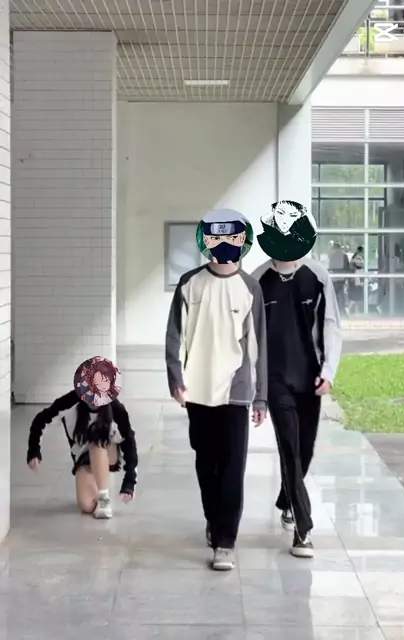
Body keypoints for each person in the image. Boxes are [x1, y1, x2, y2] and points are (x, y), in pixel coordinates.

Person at [165, 208, 267, 572]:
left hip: (236, 392)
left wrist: (261, 396)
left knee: (232, 468)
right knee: (206, 464)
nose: (224, 245)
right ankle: (214, 519)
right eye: (217, 238)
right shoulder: (189, 284)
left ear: (242, 242)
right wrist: (176, 379)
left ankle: (226, 541)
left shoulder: (250, 288)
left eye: (232, 238)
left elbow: (258, 345)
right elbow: (174, 336)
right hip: (197, 391)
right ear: (206, 242)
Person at [252, 206, 342, 559]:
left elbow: (331, 325)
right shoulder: (258, 281)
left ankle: (286, 497)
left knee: (305, 450)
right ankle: (303, 530)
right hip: (275, 380)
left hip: (310, 378)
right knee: (289, 449)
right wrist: (256, 389)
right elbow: (249, 337)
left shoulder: (317, 276)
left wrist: (328, 371)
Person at [26, 361, 138, 519]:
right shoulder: (70, 402)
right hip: (84, 457)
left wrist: (129, 482)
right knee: (87, 505)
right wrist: (34, 450)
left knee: (96, 444)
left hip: (108, 450)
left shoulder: (116, 409)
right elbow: (41, 420)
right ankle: (97, 487)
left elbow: (129, 442)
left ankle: (104, 499)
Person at [328, 242, 350, 314]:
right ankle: (341, 310)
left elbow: (330, 267)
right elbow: (347, 267)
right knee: (340, 294)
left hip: (334, 278)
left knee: (335, 294)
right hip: (341, 278)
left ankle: (335, 310)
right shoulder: (343, 256)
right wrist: (346, 277)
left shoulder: (332, 256)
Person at [348, 245, 364, 314]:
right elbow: (360, 265)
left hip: (355, 279)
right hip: (355, 279)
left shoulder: (355, 257)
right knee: (355, 298)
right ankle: (349, 310)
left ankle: (356, 311)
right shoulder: (357, 258)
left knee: (357, 298)